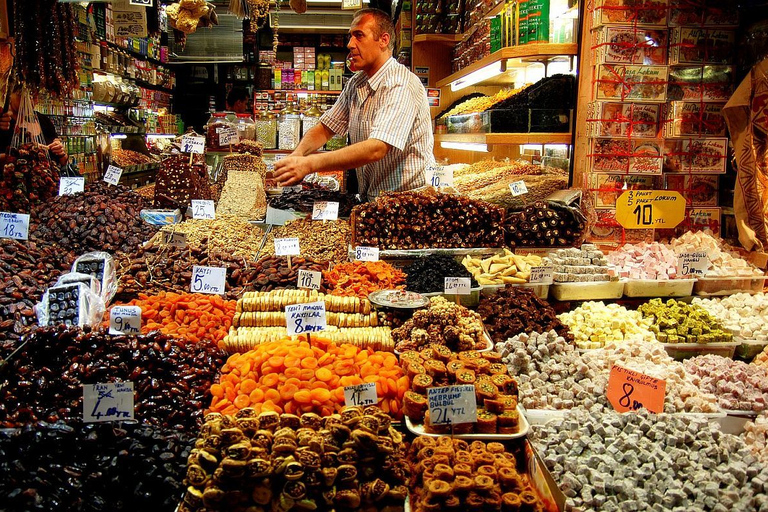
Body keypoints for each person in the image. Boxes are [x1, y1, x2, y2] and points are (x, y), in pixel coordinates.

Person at [273, 8, 434, 200]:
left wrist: (310, 164)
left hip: (407, 204)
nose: (350, 44)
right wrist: (297, 155)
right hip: (374, 199)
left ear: (383, 40)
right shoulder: (356, 83)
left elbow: (377, 148)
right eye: (350, 36)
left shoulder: (400, 84)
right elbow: (325, 128)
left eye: (359, 36)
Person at [0, 83, 68, 166]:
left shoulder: (44, 121)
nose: (31, 101)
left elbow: (63, 161)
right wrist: (22, 153)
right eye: (25, 96)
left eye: (35, 97)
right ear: (9, 95)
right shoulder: (3, 121)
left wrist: (61, 153)